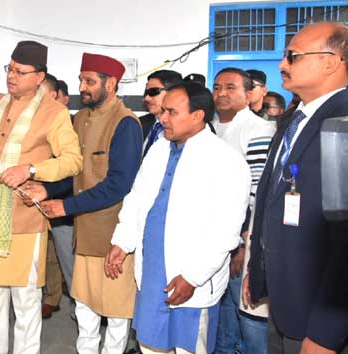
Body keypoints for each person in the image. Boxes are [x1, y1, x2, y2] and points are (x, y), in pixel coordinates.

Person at [106, 81, 251, 354]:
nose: (162, 118)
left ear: (197, 116)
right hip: (152, 275)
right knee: (150, 345)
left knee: (190, 347)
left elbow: (226, 231)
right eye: (163, 111)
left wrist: (194, 277)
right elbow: (137, 199)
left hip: (190, 278)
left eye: (171, 112)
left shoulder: (226, 161)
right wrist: (122, 242)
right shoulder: (159, 149)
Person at [0, 40, 82, 354]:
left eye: (20, 71)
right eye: (10, 68)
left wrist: (30, 169)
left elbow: (73, 160)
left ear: (39, 77)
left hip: (24, 219)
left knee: (26, 300)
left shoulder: (54, 113)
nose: (11, 76)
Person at [25, 52, 143, 354]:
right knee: (85, 306)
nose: (83, 87)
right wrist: (47, 190)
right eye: (81, 80)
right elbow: (74, 171)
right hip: (84, 232)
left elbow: (119, 185)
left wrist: (67, 207)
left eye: (89, 81)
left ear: (111, 83)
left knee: (116, 312)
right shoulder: (79, 119)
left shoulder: (126, 123)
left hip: (113, 235)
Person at [245, 22, 348, 354]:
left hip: (322, 318)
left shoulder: (343, 122)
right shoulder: (294, 121)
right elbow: (270, 201)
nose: (281, 65)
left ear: (331, 61)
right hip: (285, 301)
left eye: (292, 56)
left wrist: (326, 333)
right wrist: (257, 270)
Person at [212, 67, 276, 354]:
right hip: (213, 232)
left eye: (230, 87)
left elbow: (256, 192)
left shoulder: (259, 130)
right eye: (217, 87)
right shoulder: (209, 126)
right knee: (223, 303)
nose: (221, 93)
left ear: (248, 94)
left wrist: (241, 242)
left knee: (248, 307)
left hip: (242, 235)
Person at [40, 72, 70, 319]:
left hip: (63, 198)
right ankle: (52, 296)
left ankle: (62, 296)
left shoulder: (71, 125)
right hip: (37, 196)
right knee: (47, 253)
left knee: (64, 253)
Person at [140, 70, 183, 156]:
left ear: (174, 92)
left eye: (154, 92)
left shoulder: (187, 127)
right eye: (146, 93)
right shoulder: (139, 123)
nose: (147, 98)